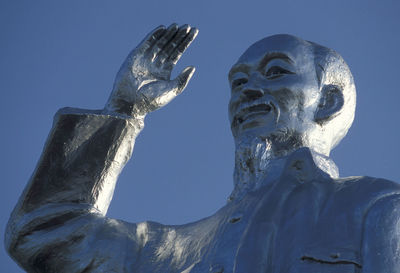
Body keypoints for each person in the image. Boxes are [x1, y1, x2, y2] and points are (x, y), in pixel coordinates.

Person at [6, 24, 400, 273]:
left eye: (276, 71)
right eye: (239, 82)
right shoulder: (175, 251)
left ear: (329, 100)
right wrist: (124, 111)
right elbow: (44, 236)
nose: (248, 91)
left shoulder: (375, 207)